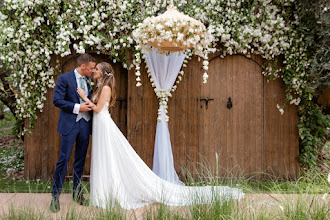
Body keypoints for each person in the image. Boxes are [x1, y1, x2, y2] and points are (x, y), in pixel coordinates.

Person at [77, 62, 244, 210]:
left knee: (109, 156)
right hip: (99, 125)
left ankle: (110, 193)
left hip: (104, 124)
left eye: (97, 69)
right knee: (104, 157)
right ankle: (103, 193)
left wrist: (84, 97)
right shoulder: (99, 86)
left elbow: (98, 109)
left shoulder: (106, 88)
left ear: (105, 73)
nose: (94, 71)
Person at [50, 54, 96, 213]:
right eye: (91, 68)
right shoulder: (64, 78)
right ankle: (55, 197)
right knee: (63, 159)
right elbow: (57, 100)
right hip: (70, 124)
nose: (93, 71)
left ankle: (77, 192)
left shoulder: (90, 81)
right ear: (83, 66)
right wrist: (78, 107)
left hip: (85, 124)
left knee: (80, 159)